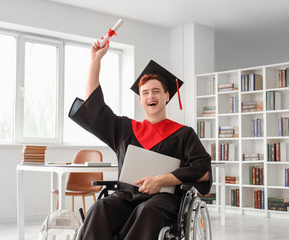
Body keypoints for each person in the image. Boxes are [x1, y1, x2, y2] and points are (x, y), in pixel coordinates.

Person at [68, 40, 212, 240]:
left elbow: (203, 172)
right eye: (145, 92)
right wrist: (95, 60)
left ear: (166, 96)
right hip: (126, 196)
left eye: (156, 91)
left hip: (163, 200)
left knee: (148, 209)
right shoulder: (125, 129)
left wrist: (162, 180)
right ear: (140, 99)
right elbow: (94, 109)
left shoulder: (183, 134)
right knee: (101, 207)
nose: (150, 96)